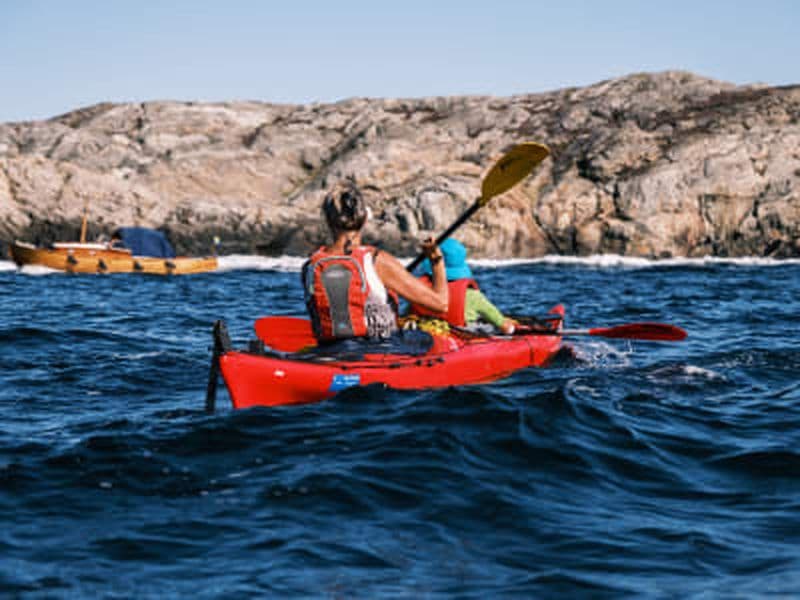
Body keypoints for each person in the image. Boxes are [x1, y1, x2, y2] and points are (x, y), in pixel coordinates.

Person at [302, 180, 448, 342]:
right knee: (427, 337)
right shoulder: (376, 261)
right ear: (364, 218)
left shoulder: (310, 265)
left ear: (328, 220)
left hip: (328, 350)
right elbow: (441, 304)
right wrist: (436, 261)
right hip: (378, 349)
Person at [411, 238, 517, 334]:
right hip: (463, 337)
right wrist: (510, 327)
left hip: (428, 335)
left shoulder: (421, 292)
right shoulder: (473, 296)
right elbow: (505, 327)